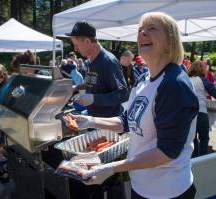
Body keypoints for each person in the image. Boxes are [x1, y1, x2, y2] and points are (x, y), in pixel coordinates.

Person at [66, 12, 199, 199]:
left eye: (151, 28)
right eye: (140, 30)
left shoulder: (173, 84)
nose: (142, 33)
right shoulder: (144, 79)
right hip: (142, 186)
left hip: (167, 191)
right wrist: (89, 121)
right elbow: (126, 122)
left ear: (170, 41)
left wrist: (112, 167)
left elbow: (167, 152)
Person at [67, 21, 128, 118]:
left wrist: (94, 99)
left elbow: (123, 94)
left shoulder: (108, 61)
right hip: (94, 118)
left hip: (109, 122)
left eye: (76, 45)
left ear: (87, 41)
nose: (75, 49)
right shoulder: (90, 60)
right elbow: (96, 84)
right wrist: (77, 87)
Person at [188, 61, 216, 157]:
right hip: (201, 112)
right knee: (204, 138)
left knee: (192, 138)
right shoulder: (203, 80)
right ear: (202, 69)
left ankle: (194, 158)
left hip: (188, 114)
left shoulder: (186, 79)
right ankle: (203, 159)